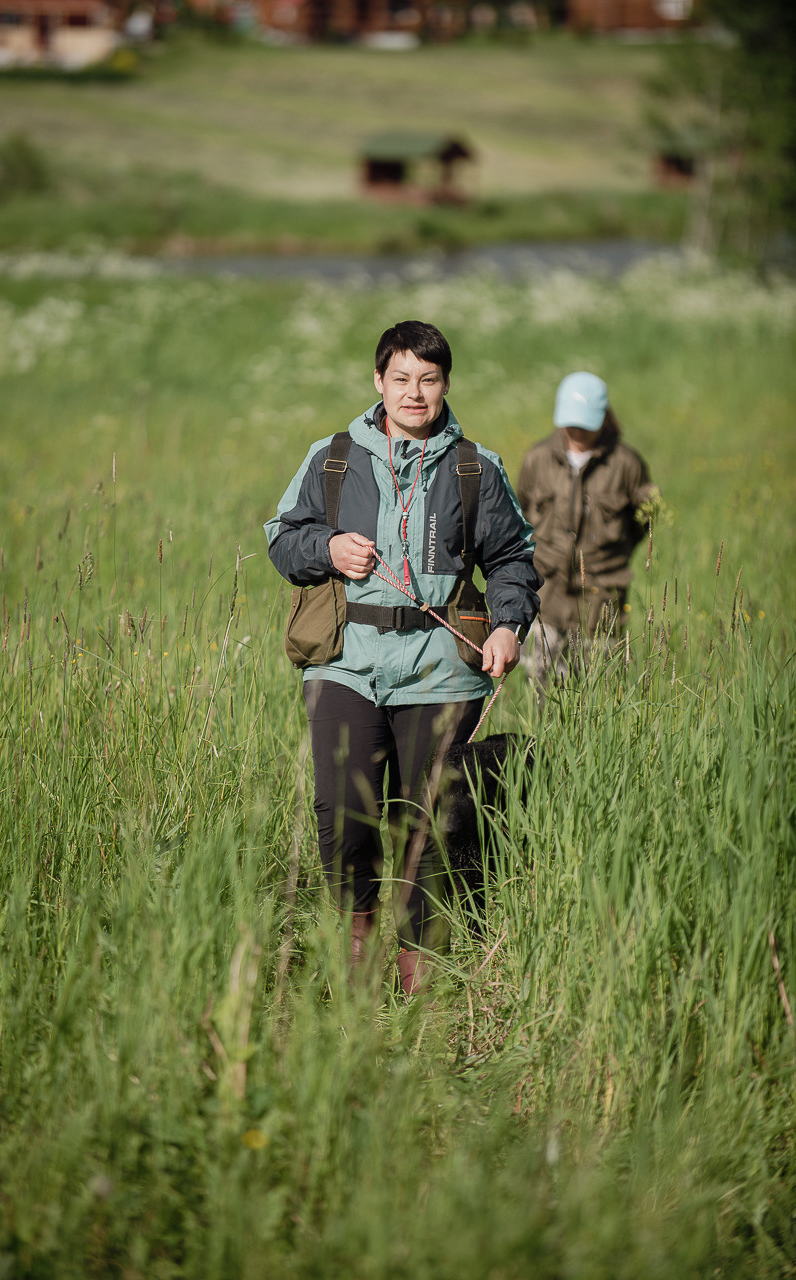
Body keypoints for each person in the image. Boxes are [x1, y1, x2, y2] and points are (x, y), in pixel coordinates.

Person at [264, 321, 542, 996]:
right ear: (379, 383)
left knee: (434, 819)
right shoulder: (332, 457)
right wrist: (326, 550)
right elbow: (283, 540)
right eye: (401, 379)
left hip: (442, 669)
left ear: (445, 383)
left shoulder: (476, 467)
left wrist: (508, 626)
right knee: (342, 812)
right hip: (344, 663)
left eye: (429, 379)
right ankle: (355, 948)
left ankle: (423, 965)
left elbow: (512, 560)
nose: (415, 393)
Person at [516, 371, 657, 693]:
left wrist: (611, 559)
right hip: (545, 598)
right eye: (572, 422)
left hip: (601, 603)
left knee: (597, 693)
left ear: (604, 417)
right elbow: (520, 516)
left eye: (586, 423)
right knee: (541, 693)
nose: (578, 430)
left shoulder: (627, 464)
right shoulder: (537, 459)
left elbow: (644, 521)